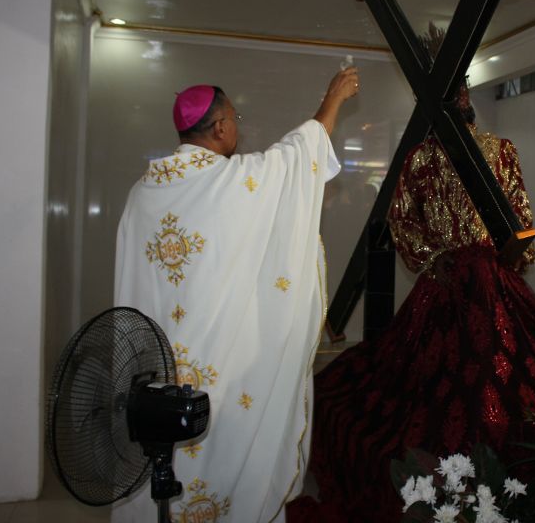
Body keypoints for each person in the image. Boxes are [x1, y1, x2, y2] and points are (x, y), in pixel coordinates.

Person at [296, 61, 535, 523]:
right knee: (480, 371)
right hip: (472, 283)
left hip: (461, 279)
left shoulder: (445, 155)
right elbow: (516, 223)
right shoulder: (463, 154)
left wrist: (440, 258)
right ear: (465, 100)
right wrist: (497, 262)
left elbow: (408, 223)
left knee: (457, 371)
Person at [112, 67, 359, 523]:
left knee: (166, 455)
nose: (237, 126)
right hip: (221, 367)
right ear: (221, 127)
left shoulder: (142, 193)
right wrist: (334, 98)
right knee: (222, 450)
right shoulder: (233, 182)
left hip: (160, 365)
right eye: (235, 117)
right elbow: (297, 154)